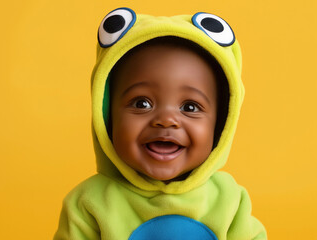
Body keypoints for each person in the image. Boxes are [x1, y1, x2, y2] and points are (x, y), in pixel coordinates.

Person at [54, 7, 267, 240]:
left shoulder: (230, 201)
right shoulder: (88, 204)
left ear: (221, 123)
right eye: (142, 103)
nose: (166, 120)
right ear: (106, 115)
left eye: (190, 107)